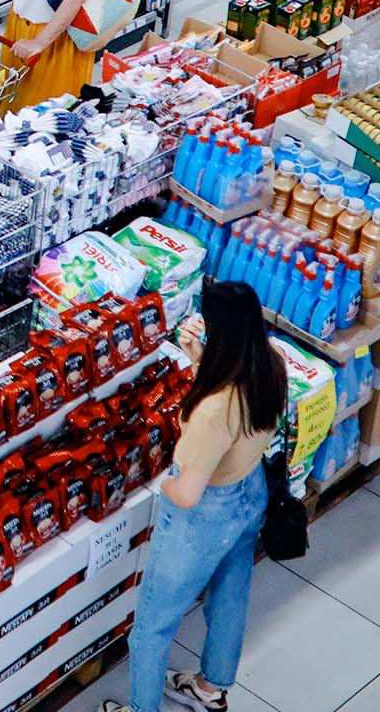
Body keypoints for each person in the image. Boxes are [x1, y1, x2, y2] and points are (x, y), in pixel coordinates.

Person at [101, 279, 287, 712]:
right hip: (250, 494)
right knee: (229, 595)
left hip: (206, 515)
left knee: (151, 626)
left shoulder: (212, 411)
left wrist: (159, 481)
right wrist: (199, 361)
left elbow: (186, 495)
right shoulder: (271, 365)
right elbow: (238, 412)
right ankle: (210, 688)